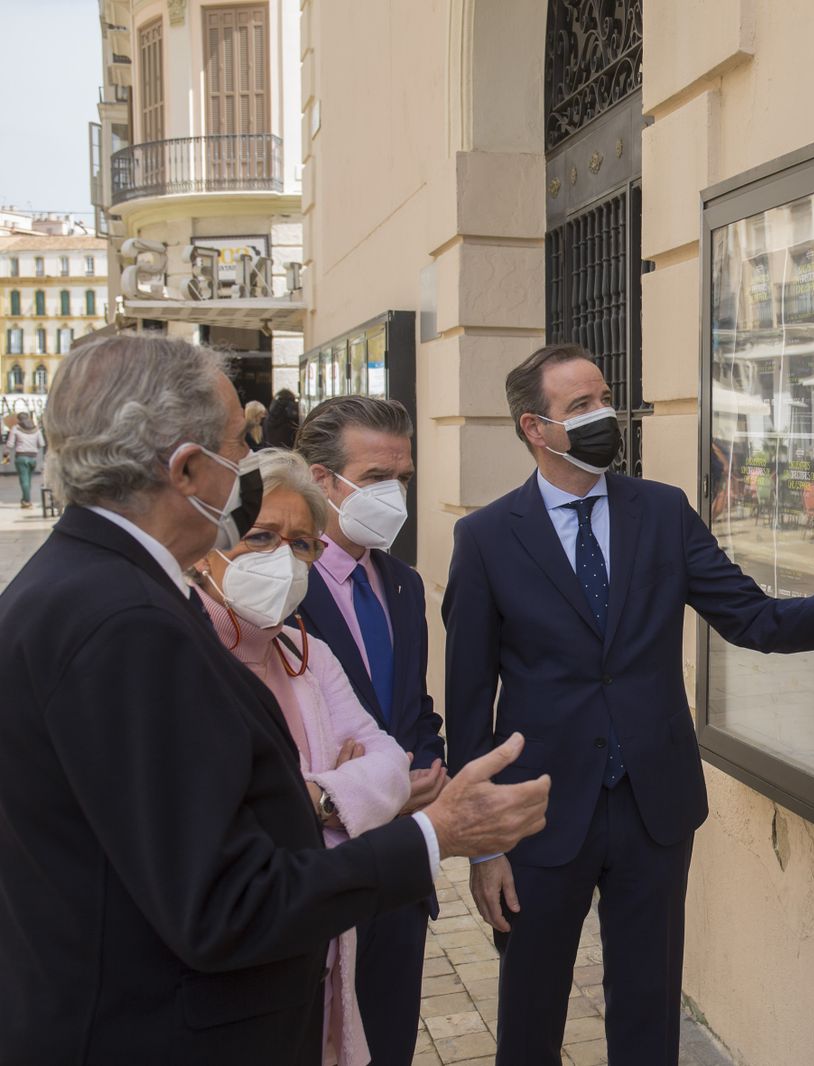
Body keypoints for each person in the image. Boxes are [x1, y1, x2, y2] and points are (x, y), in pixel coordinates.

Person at [0, 336, 551, 1066]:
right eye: (239, 446)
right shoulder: (126, 621)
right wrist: (437, 833)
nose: (245, 474)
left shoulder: (80, 587)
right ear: (189, 468)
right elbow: (227, 903)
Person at [444, 343, 814, 1065]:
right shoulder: (484, 539)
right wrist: (486, 845)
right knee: (531, 1008)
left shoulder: (661, 512)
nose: (602, 416)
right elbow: (470, 698)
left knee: (648, 1007)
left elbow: (748, 617)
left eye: (603, 397)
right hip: (537, 812)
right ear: (534, 428)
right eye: (580, 407)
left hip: (651, 806)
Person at [194, 447, 412, 1066]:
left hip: (315, 946)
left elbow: (389, 761)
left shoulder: (305, 652)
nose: (282, 560)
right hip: (232, 963)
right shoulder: (187, 651)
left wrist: (314, 798)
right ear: (210, 540)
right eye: (261, 537)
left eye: (301, 544)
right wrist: (330, 795)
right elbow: (224, 817)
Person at [296, 395, 444, 1066]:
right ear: (321, 480)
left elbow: (413, 709)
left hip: (402, 877)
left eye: (404, 479)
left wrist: (426, 774)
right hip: (321, 875)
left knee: (390, 1045)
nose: (395, 495)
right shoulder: (281, 590)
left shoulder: (405, 584)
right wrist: (369, 786)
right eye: (378, 477)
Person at [3, 408, 44, 508]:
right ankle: (26, 499)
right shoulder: (36, 429)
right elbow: (42, 443)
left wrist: (6, 453)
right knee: (28, 479)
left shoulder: (16, 428)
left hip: (21, 458)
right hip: (33, 458)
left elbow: (10, 443)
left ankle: (26, 501)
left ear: (19, 419)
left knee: (24, 480)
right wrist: (33, 447)